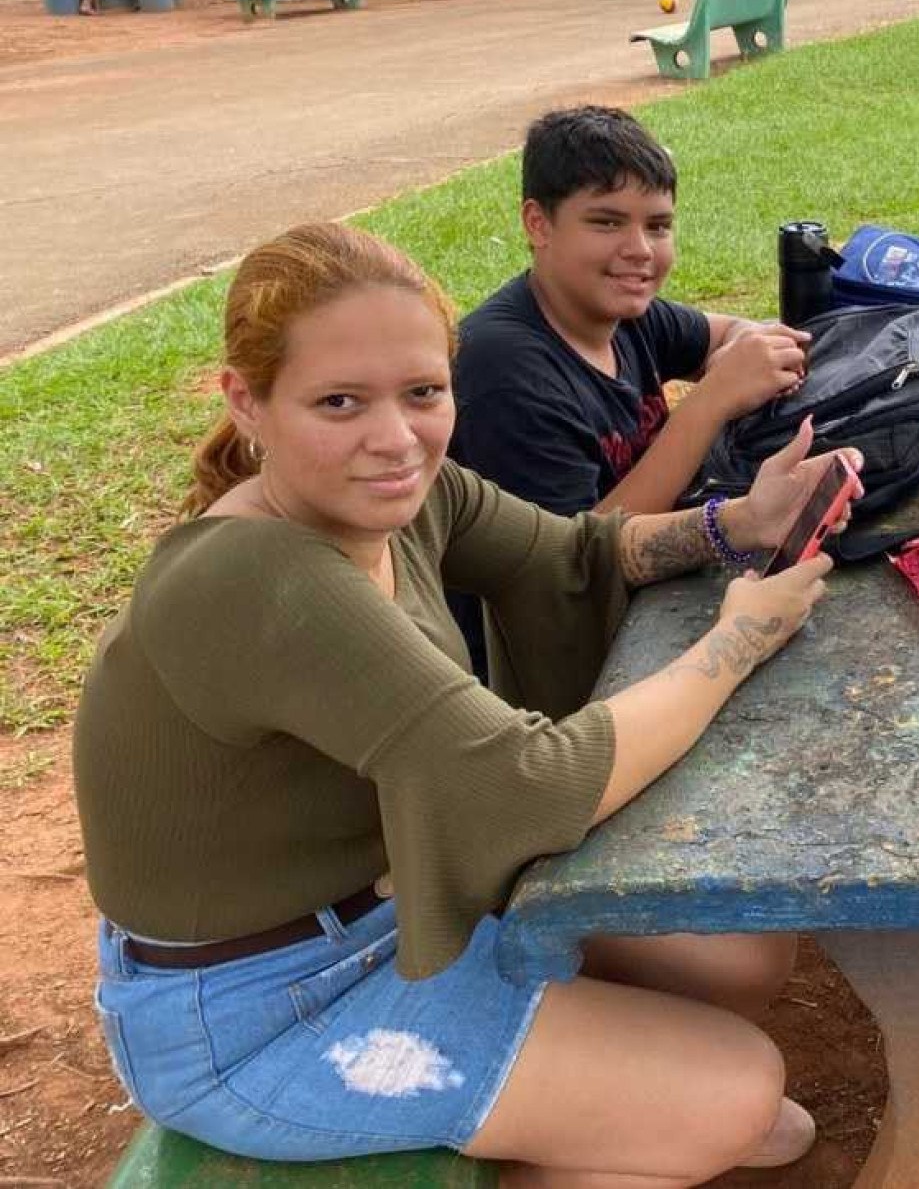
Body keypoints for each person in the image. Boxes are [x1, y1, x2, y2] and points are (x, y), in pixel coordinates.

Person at [75, 220, 858, 1183]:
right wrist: (737, 639)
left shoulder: (408, 496)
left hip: (395, 903)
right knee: (741, 1094)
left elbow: (574, 551)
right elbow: (530, 783)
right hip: (255, 1007)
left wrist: (738, 521)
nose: (394, 438)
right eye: (338, 402)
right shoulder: (257, 577)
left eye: (423, 393)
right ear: (248, 402)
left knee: (740, 972)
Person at [448, 106, 810, 675]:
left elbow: (730, 332)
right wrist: (712, 400)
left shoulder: (622, 313)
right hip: (536, 674)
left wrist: (749, 351)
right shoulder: (503, 371)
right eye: (607, 222)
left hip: (628, 618)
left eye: (658, 225)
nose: (640, 249)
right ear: (537, 224)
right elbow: (578, 562)